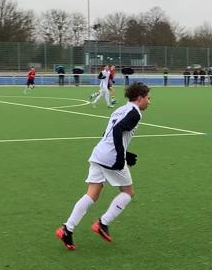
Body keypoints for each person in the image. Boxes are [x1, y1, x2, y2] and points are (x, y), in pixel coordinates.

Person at [55, 82, 152, 250]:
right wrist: (120, 156)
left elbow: (108, 133)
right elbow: (117, 130)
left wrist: (125, 153)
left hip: (99, 152)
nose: (149, 102)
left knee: (92, 194)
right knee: (128, 192)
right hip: (110, 157)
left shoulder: (120, 109)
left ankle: (67, 229)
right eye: (148, 98)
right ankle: (103, 223)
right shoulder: (135, 113)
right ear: (139, 97)